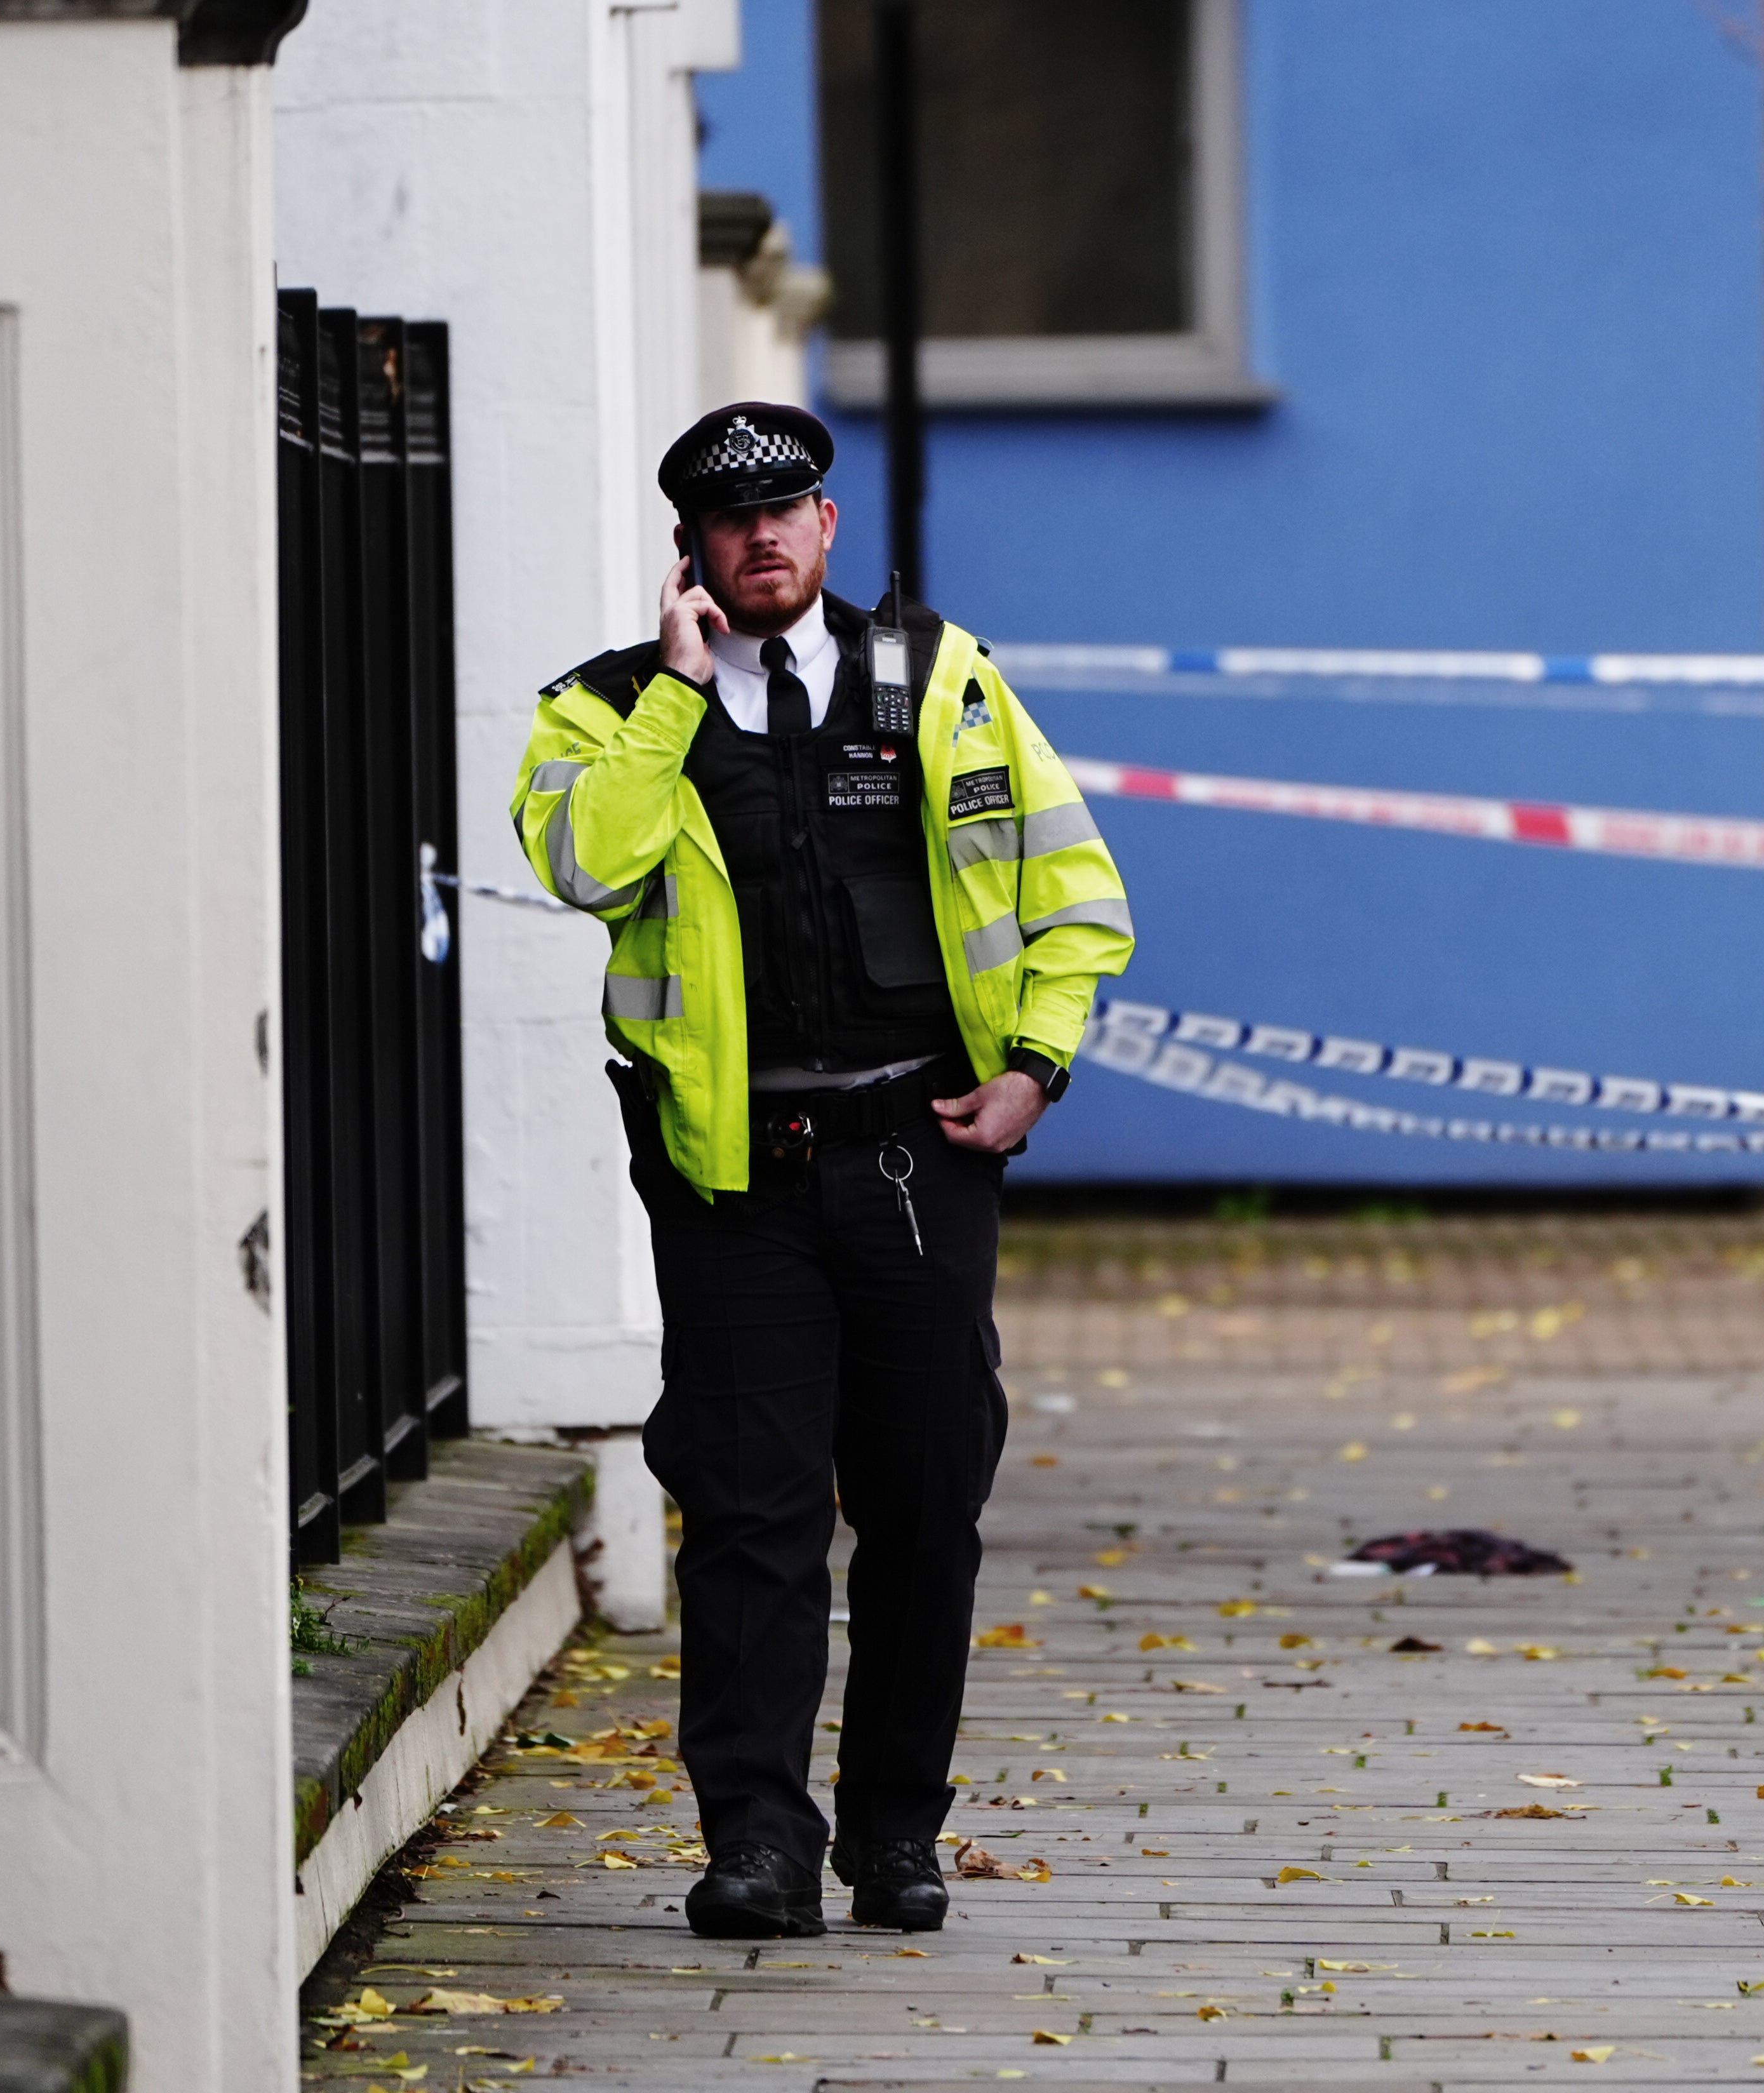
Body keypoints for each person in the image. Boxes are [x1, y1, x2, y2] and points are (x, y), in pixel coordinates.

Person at [511, 404, 1133, 1939]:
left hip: (919, 1156)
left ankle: (897, 1837)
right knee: (749, 1513)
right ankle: (759, 1844)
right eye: (731, 520)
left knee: (926, 1505)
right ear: (689, 546)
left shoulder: (942, 680)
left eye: (788, 507)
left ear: (828, 522)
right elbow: (589, 862)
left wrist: (1036, 1069)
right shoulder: (599, 708)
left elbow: (1074, 896)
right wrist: (672, 696)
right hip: (732, 1182)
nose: (763, 536)